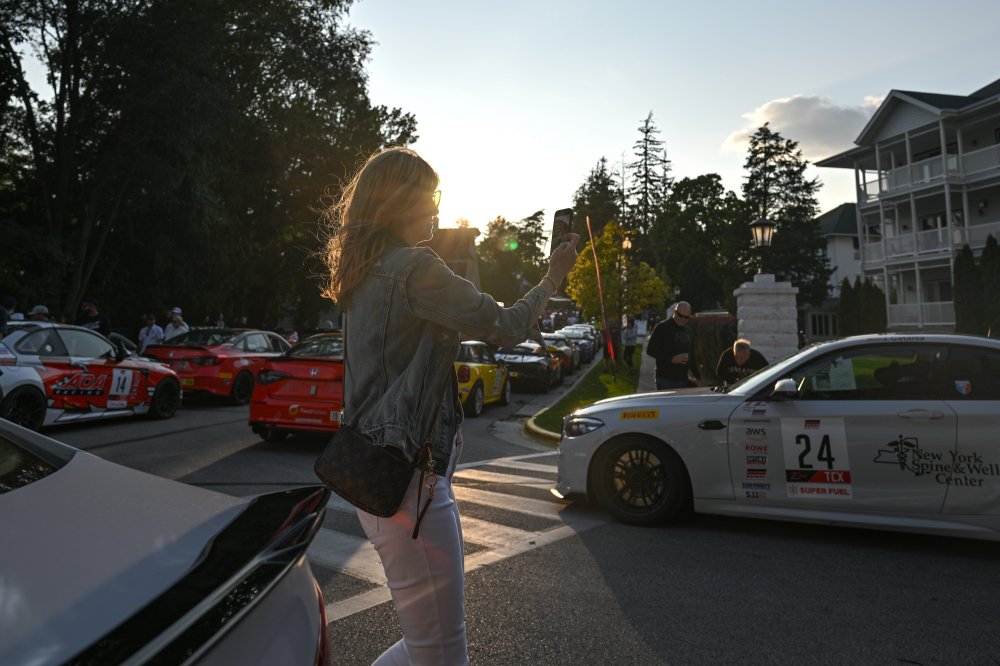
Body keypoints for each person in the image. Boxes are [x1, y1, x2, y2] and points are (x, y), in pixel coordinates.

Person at [321, 146, 580, 665]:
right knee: (441, 652)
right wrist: (553, 276)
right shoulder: (414, 269)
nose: (436, 209)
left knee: (427, 647)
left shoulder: (364, 272)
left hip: (379, 474)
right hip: (409, 484)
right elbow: (506, 325)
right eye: (431, 197)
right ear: (401, 202)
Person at [646, 300, 700, 390]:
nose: (683, 319)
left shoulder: (689, 331)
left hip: (683, 379)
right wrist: (672, 359)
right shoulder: (662, 327)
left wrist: (698, 377)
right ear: (675, 312)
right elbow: (650, 350)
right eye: (680, 315)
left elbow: (692, 356)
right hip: (665, 379)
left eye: (686, 317)